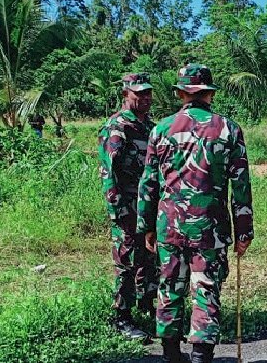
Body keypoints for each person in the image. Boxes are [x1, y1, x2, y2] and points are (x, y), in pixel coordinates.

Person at [137, 63, 254, 363]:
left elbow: (149, 183)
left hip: (170, 226)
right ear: (209, 94)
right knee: (206, 289)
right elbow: (240, 187)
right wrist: (244, 230)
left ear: (180, 94)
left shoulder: (160, 130)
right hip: (209, 229)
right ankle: (201, 357)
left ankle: (172, 355)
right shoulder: (228, 129)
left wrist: (146, 226)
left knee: (170, 288)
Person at [98, 72, 158, 340]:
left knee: (150, 259)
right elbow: (108, 173)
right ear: (125, 94)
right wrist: (118, 211)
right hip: (127, 206)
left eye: (147, 93)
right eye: (138, 94)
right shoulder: (118, 127)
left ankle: (148, 307)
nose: (144, 98)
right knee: (126, 261)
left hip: (150, 207)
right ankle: (122, 318)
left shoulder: (151, 127)